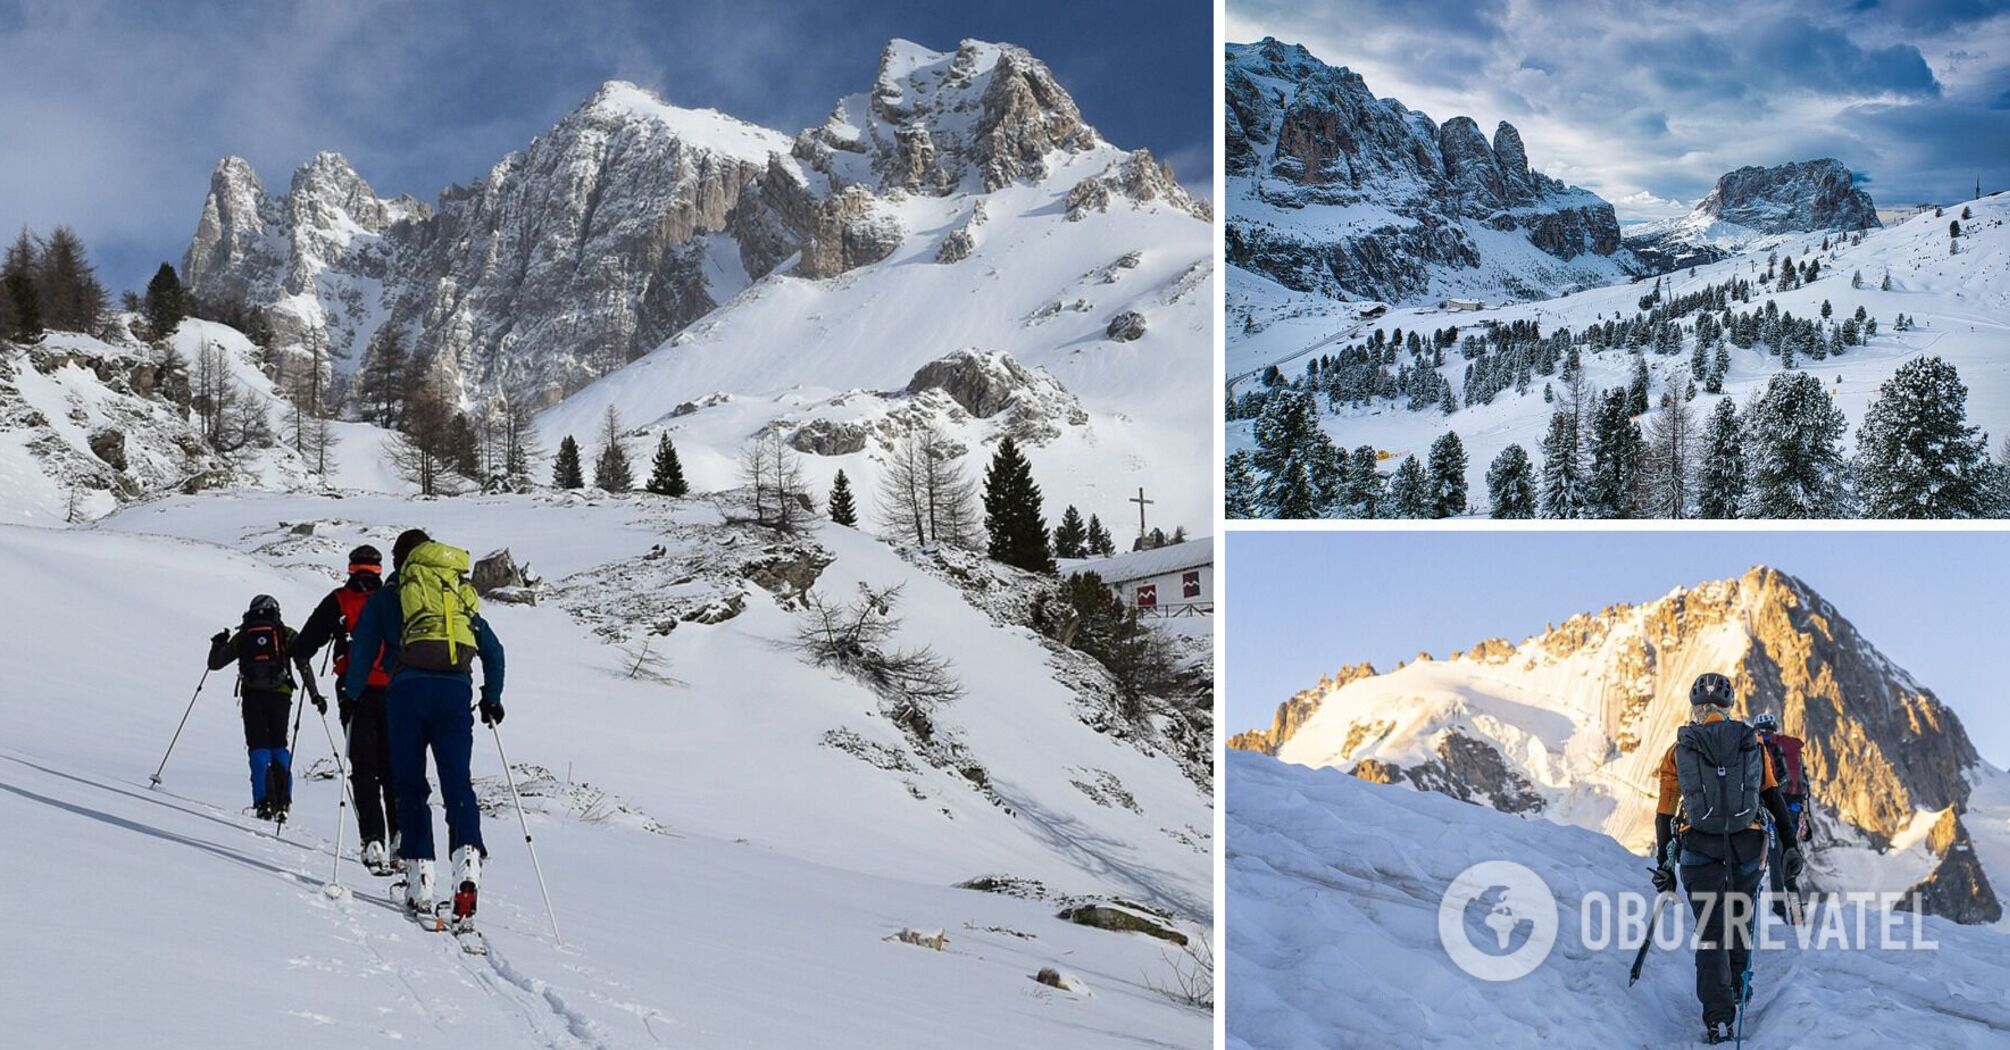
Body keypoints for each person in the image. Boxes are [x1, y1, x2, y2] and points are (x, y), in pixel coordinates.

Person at [345, 529, 505, 930]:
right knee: (457, 782)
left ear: (399, 561)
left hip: (405, 694)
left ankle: (420, 880)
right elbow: (493, 650)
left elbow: (363, 649)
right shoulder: (453, 590)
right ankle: (467, 861)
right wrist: (492, 697)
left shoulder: (389, 596)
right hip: (455, 691)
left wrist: (352, 694)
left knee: (410, 785)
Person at [1651, 673, 1802, 1045]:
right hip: (1748, 844)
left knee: (1709, 930)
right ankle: (1738, 988)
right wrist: (1790, 844)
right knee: (1740, 916)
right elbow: (1771, 795)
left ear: (1695, 708)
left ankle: (1718, 1017)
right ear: (1727, 708)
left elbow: (1665, 812)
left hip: (1699, 848)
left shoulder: (1678, 750)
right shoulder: (1752, 743)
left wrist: (1665, 864)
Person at [293, 544, 403, 876]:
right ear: (380, 569)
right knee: (393, 768)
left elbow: (304, 645)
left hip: (353, 691)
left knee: (364, 766)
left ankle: (373, 839)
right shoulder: (394, 599)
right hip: (396, 688)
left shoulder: (339, 600)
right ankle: (400, 837)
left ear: (351, 568)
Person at [208, 595, 311, 822]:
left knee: (258, 748)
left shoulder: (244, 634)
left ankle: (262, 802)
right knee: (279, 746)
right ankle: (283, 801)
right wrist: (314, 694)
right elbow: (302, 660)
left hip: (252, 695)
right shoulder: (285, 632)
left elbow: (214, 665)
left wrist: (218, 643)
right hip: (281, 695)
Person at [1752, 712, 1811, 918]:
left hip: (1775, 810)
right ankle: (1796, 913)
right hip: (1794, 811)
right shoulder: (1791, 747)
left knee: (1775, 861)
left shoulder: (1763, 747)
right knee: (1788, 859)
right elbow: (1804, 785)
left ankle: (1779, 911)